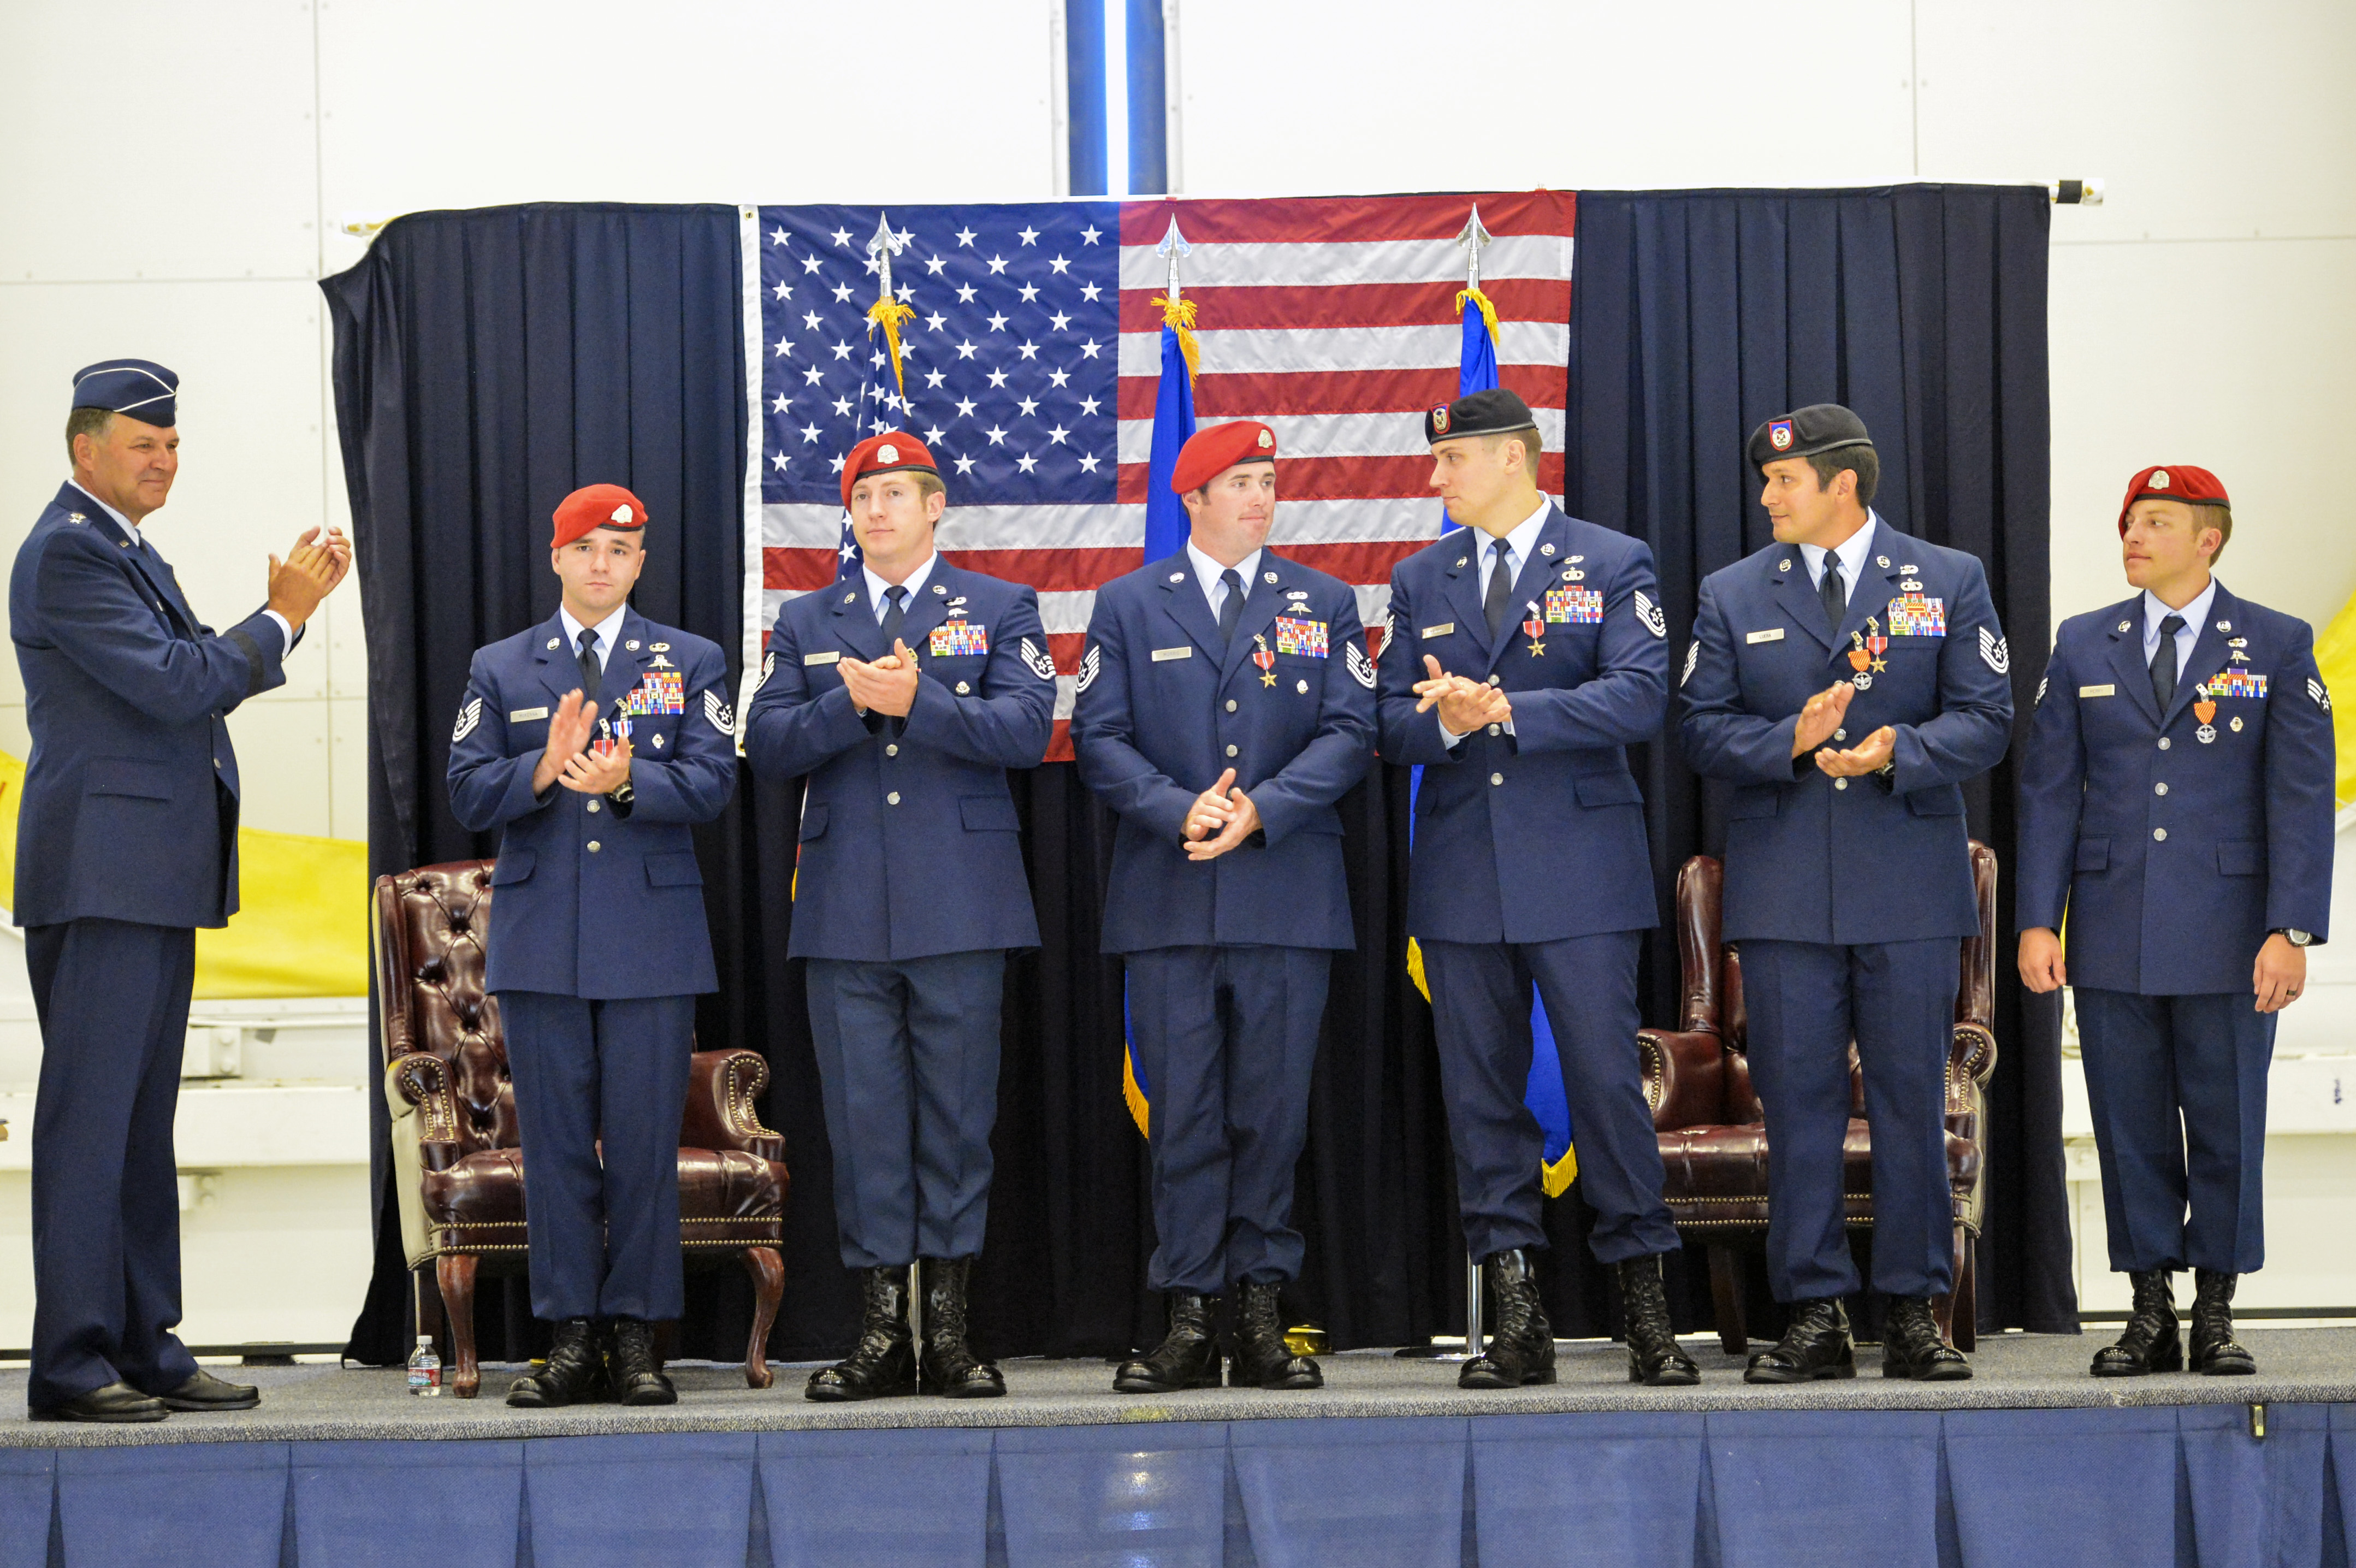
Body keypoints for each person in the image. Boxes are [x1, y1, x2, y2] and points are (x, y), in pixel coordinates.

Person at [13, 359, 347, 1422]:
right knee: (89, 1124)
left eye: (172, 445)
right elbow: (178, 685)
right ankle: (72, 1358)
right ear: (85, 451)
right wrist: (283, 616)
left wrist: (262, 627)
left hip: (148, 877)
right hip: (104, 878)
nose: (163, 460)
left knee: (139, 1123)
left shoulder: (121, 549)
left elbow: (189, 667)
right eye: (141, 443)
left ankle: (146, 1341)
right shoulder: (69, 553)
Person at [1679, 404, 2012, 1382]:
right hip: (1785, 892)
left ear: (1842, 484)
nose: (1766, 495)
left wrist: (1895, 751)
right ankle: (1814, 1312)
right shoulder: (1732, 591)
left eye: (1784, 480)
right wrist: (1784, 740)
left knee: (1913, 1101)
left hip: (1906, 886)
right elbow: (1699, 729)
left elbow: (1986, 718)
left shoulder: (1946, 579)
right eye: (1766, 480)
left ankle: (1912, 1311)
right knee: (1801, 1105)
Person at [1376, 387, 1696, 1389]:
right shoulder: (1418, 576)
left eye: (1451, 462)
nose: (1436, 480)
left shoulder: (1609, 560)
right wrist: (1448, 724)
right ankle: (1514, 1315)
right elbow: (1385, 720)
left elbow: (1641, 693)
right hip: (1465, 879)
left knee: (1606, 1090)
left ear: (1511, 458)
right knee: (1481, 1101)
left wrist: (1505, 707)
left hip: (1581, 875)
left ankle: (1647, 1311)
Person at [744, 432, 1057, 1401]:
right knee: (867, 1123)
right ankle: (880, 1334)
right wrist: (850, 704)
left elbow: (1025, 730)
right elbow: (765, 743)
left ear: (935, 509)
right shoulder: (806, 619)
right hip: (843, 915)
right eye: (863, 496)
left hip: (962, 905)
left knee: (958, 1124)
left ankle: (951, 1335)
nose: (877, 510)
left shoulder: (1001, 608)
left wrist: (920, 700)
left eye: (897, 494)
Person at [1073, 421, 1374, 1393]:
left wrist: (1264, 809)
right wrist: (1176, 807)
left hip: (1286, 894)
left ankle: (1258, 1310)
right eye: (1239, 481)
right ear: (1191, 498)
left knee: (1271, 1116)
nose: (1259, 497)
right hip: (1167, 901)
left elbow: (1349, 727)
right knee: (1187, 1116)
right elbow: (1099, 734)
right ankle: (1189, 1312)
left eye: (1267, 480)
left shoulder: (1321, 601)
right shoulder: (1126, 605)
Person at [2016, 464, 2334, 1377]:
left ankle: (2217, 1311)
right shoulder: (2083, 644)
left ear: (2209, 538)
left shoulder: (2272, 642)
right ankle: (2148, 1307)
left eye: (2155, 521)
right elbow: (2048, 793)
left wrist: (2292, 929)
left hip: (2233, 932)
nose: (2132, 536)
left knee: (2227, 1120)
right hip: (2112, 925)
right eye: (2127, 521)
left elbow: (2302, 797)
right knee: (2129, 1124)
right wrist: (2040, 920)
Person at [447, 483, 737, 1408]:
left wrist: (623, 782)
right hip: (542, 944)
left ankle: (638, 1337)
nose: (603, 563)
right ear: (557, 557)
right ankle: (570, 1337)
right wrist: (539, 768)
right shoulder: (502, 666)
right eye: (587, 548)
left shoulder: (690, 659)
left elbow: (711, 782)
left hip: (651, 941)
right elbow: (467, 790)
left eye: (621, 548)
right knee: (561, 1150)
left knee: (647, 1147)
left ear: (641, 560)